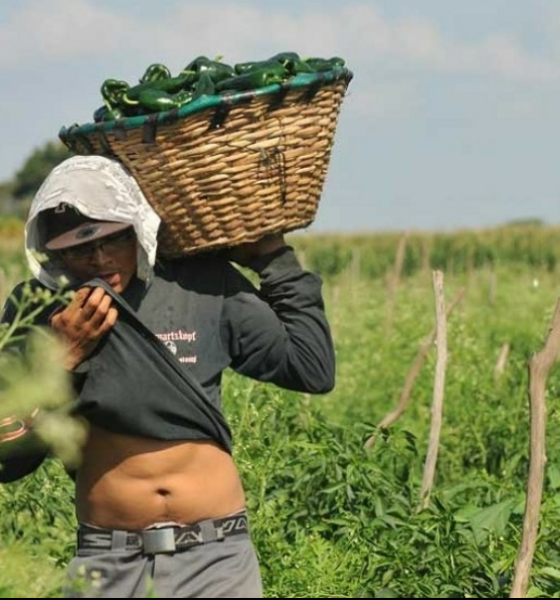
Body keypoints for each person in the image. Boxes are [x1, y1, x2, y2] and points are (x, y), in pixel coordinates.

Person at [0, 155, 336, 597]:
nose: (100, 258)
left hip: (217, 556)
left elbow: (310, 368)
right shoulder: (41, 309)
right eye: (81, 250)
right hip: (109, 562)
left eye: (113, 240)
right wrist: (64, 355)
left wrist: (273, 258)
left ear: (137, 229)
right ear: (55, 253)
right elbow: (8, 456)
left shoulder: (199, 284)